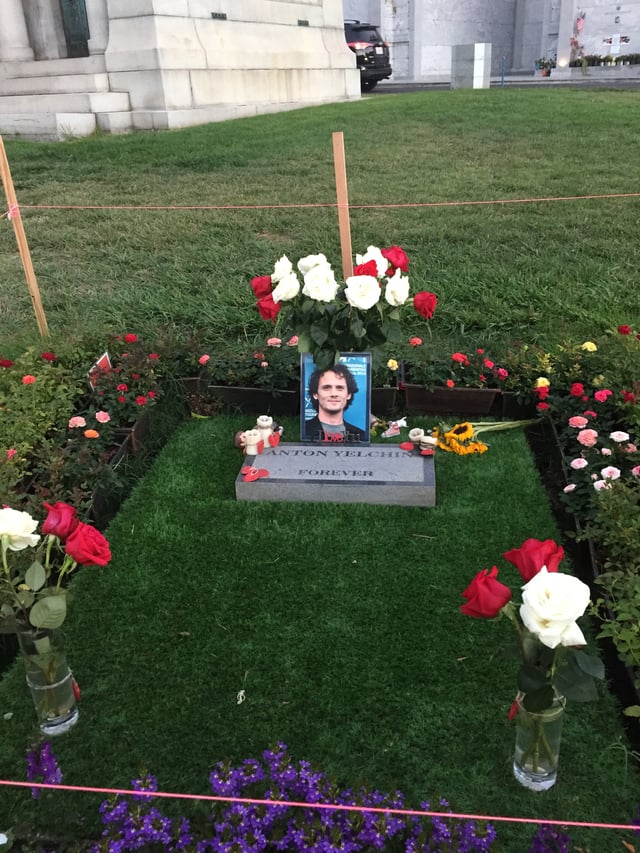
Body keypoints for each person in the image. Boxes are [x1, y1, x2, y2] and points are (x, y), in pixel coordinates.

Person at [304, 362, 366, 443]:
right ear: (315, 394)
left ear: (348, 395)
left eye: (340, 388)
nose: (334, 394)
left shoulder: (361, 436)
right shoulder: (304, 431)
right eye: (326, 388)